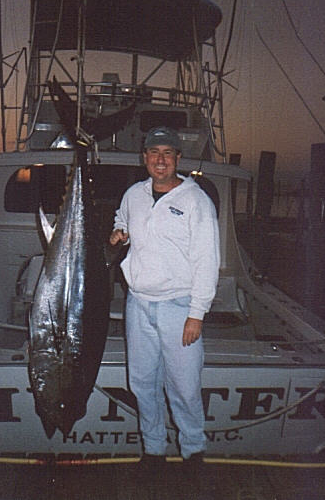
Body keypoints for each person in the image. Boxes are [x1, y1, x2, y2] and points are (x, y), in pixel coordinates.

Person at [109, 126, 220, 470]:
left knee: (184, 387)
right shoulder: (134, 194)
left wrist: (196, 313)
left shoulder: (195, 200)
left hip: (179, 306)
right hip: (138, 304)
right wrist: (119, 234)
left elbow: (207, 260)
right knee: (142, 383)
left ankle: (193, 451)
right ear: (144, 157)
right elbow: (122, 220)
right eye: (154, 152)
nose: (160, 160)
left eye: (167, 153)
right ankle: (153, 449)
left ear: (178, 159)